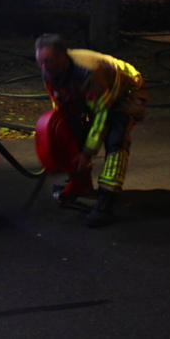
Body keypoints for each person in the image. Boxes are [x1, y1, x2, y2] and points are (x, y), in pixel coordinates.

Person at [35, 34, 148, 228]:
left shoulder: (89, 72)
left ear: (63, 56)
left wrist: (86, 154)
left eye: (48, 61)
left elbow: (102, 117)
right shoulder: (50, 71)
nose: (44, 67)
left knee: (115, 139)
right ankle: (81, 183)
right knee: (77, 130)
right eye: (40, 62)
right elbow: (60, 108)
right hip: (95, 93)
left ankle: (106, 202)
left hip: (125, 92)